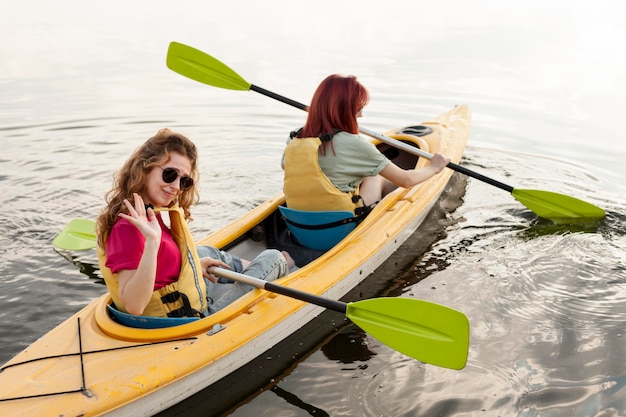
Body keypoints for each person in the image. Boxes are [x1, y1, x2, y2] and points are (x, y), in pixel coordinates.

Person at [95, 128, 294, 318]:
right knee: (274, 258)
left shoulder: (146, 211)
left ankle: (248, 270)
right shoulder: (127, 228)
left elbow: (160, 271)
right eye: (170, 174)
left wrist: (194, 267)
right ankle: (278, 270)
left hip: (181, 299)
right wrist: (152, 242)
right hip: (192, 319)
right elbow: (134, 305)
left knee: (202, 254)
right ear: (144, 168)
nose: (176, 187)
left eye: (184, 181)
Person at [282, 74, 450, 215]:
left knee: (363, 174)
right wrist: (434, 167)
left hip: (298, 224)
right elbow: (406, 180)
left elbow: (286, 166)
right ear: (345, 110)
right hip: (338, 228)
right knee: (375, 175)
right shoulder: (354, 144)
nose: (361, 115)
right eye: (358, 108)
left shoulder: (295, 136)